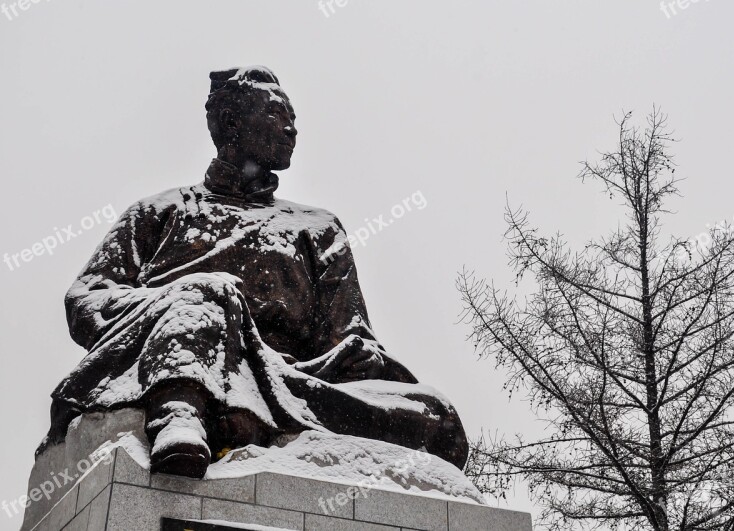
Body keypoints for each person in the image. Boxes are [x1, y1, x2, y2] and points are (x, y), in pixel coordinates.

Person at [43, 66, 468, 478]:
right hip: (175, 358)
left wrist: (354, 357)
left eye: (293, 119)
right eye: (276, 113)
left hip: (286, 382)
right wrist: (180, 300)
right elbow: (86, 302)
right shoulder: (159, 212)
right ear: (231, 121)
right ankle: (181, 411)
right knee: (207, 297)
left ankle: (237, 418)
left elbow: (350, 340)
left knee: (437, 416)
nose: (291, 129)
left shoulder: (318, 228)